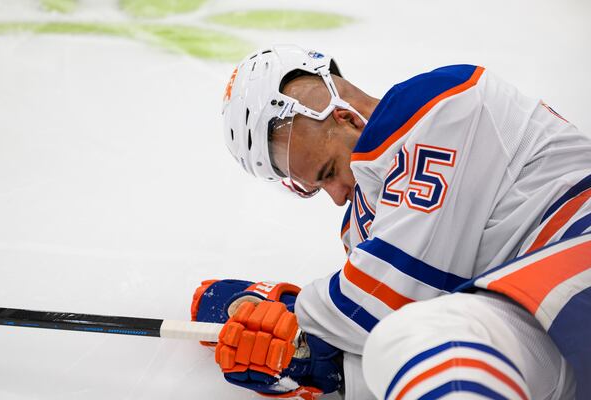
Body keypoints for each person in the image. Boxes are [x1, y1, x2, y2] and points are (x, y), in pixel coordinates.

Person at [192, 45, 591, 399]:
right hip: (551, 326)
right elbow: (392, 327)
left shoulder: (436, 104)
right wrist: (312, 363)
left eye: (329, 171)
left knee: (407, 337)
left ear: (346, 118)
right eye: (316, 187)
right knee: (401, 349)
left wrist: (289, 313)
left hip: (576, 254)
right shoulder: (363, 228)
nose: (335, 196)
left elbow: (388, 300)